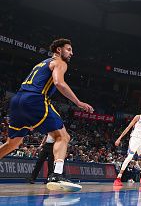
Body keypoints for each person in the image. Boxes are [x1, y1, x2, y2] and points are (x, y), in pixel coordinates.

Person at [0, 38, 93, 191]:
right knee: (63, 137)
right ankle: (56, 175)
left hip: (17, 100)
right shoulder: (60, 62)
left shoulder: (41, 63)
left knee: (13, 143)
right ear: (58, 50)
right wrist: (78, 102)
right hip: (35, 100)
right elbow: (59, 83)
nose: (72, 53)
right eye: (68, 49)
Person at [113, 105, 141, 187]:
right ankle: (118, 178)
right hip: (134, 139)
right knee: (129, 157)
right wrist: (119, 138)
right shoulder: (138, 117)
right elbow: (128, 128)